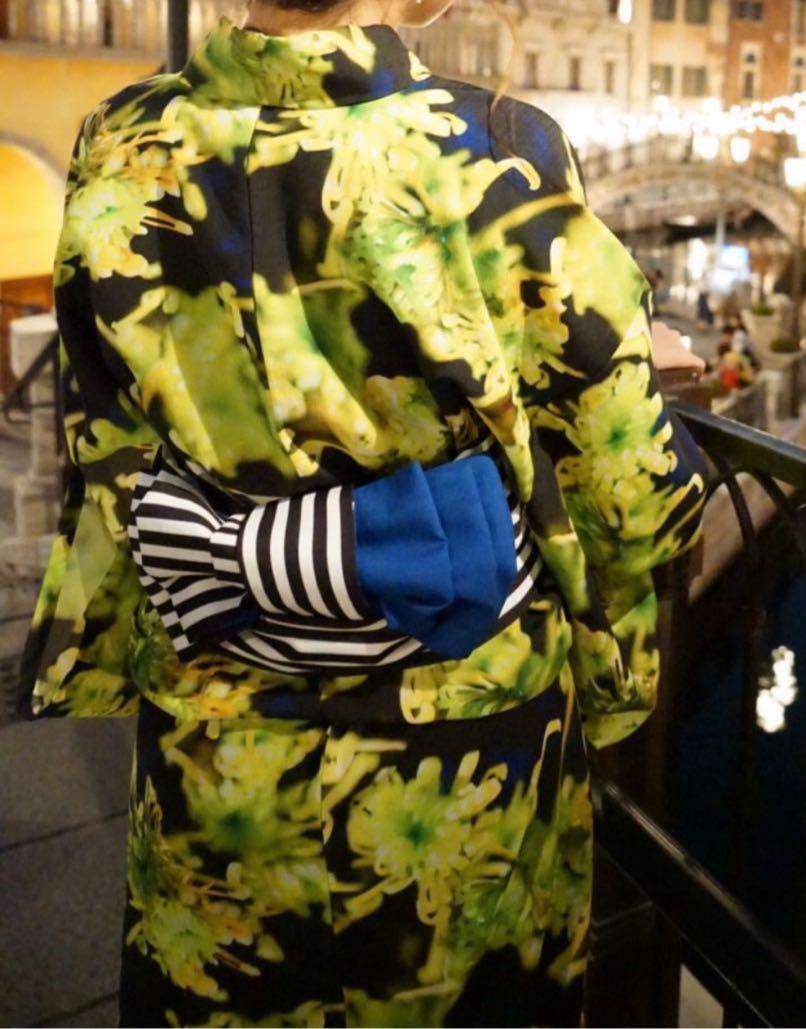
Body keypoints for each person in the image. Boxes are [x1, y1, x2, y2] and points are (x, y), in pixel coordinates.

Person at [15, 1, 707, 1026]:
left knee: (226, 987)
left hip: (220, 693)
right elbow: (635, 495)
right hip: (457, 720)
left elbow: (108, 428)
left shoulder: (121, 137)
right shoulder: (494, 146)